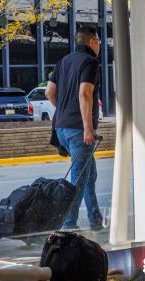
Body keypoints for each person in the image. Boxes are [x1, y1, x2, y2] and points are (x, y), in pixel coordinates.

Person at [46, 26, 103, 231]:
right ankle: (68, 225)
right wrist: (88, 128)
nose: (100, 45)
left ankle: (96, 219)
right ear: (92, 42)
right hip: (79, 131)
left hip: (61, 128)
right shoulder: (90, 62)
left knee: (89, 174)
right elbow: (85, 93)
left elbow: (49, 92)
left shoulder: (63, 61)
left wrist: (64, 109)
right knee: (78, 179)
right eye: (98, 41)